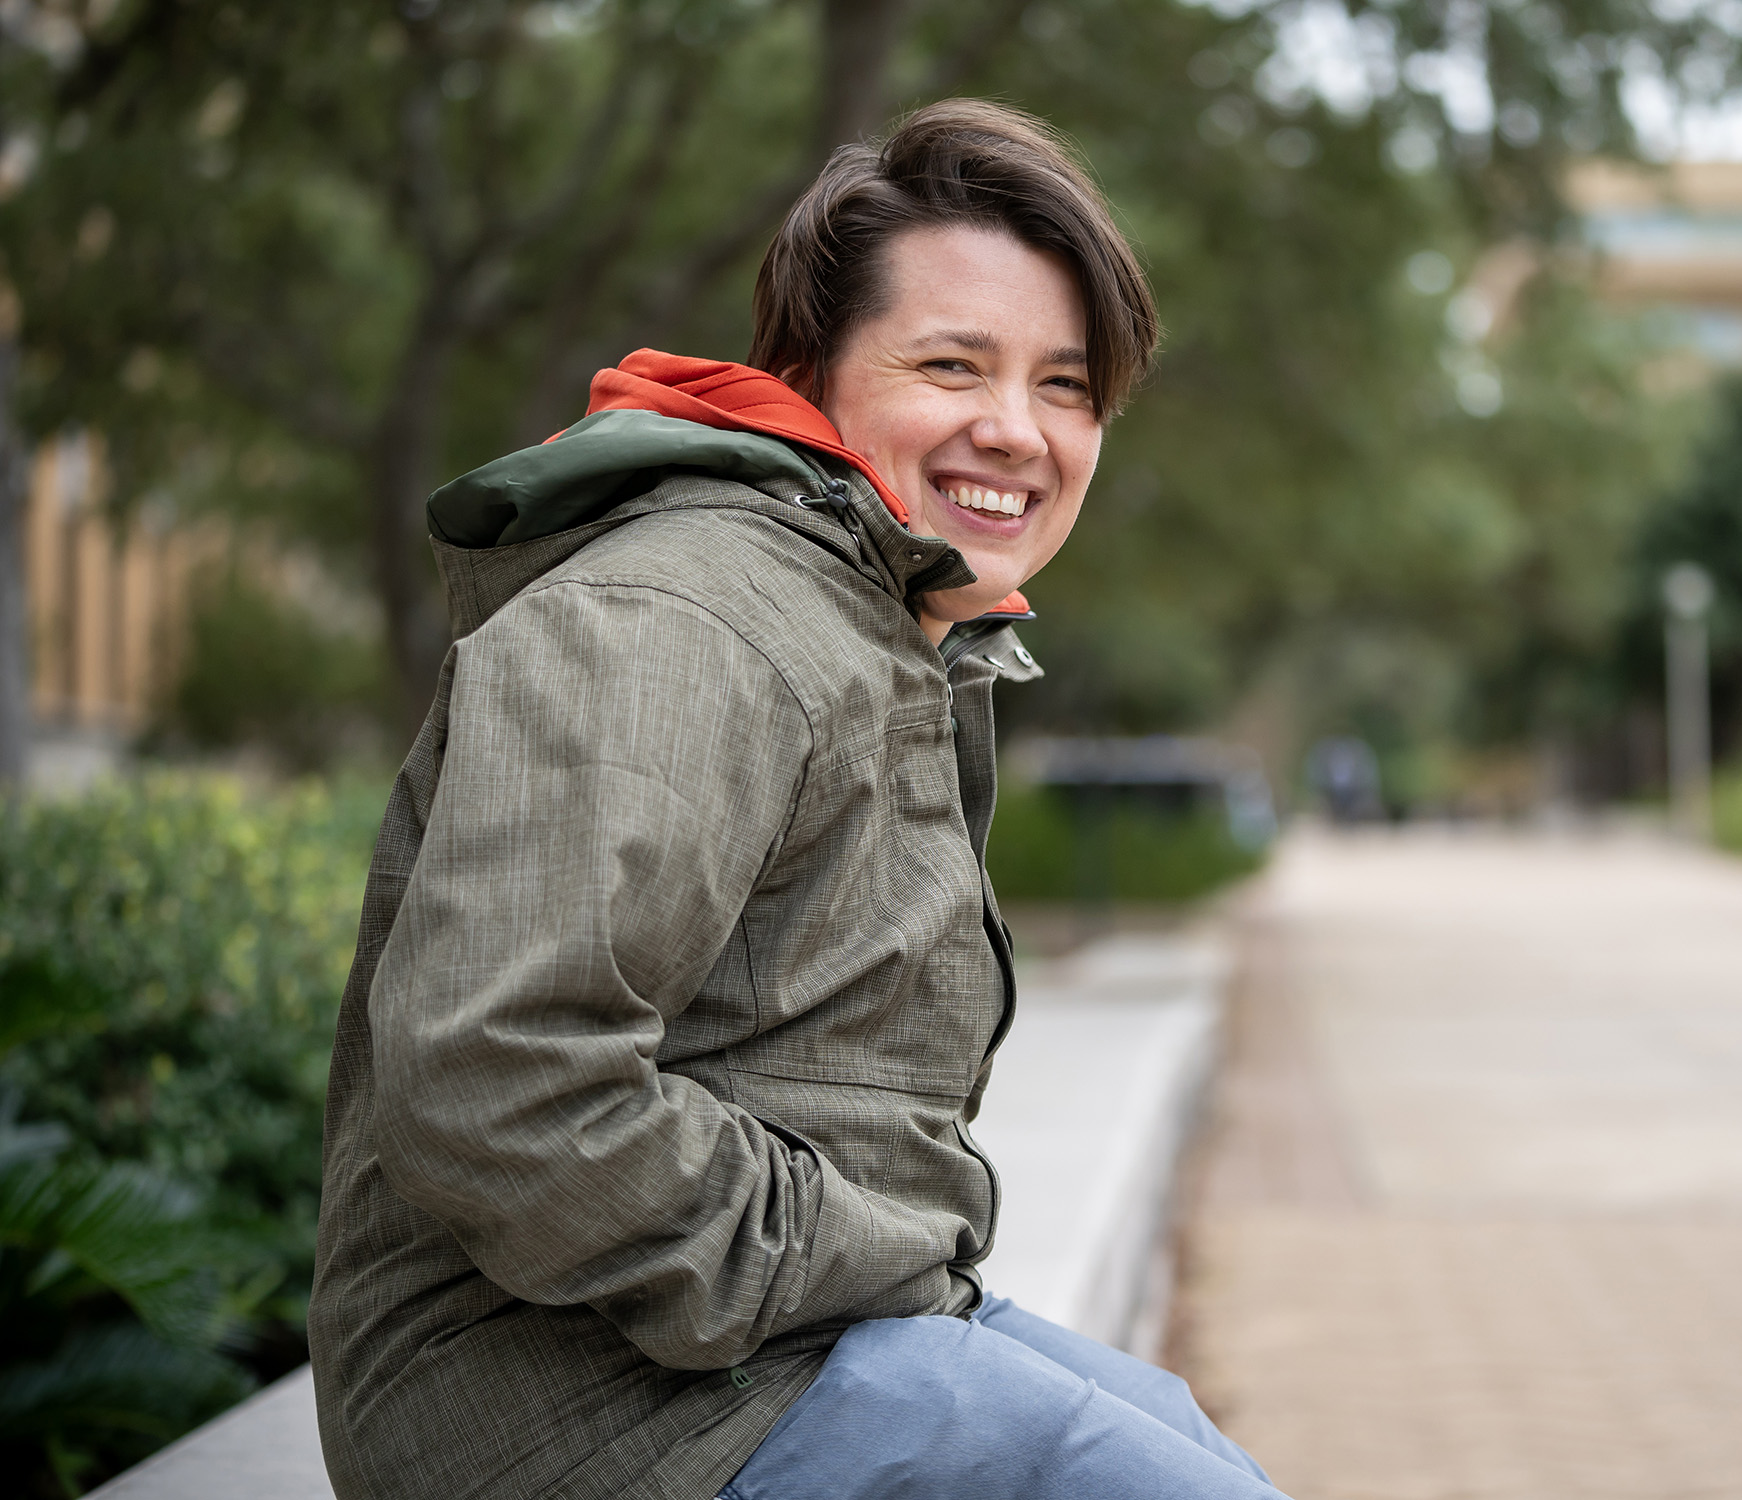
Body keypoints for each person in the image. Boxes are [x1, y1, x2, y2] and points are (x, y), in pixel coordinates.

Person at [307, 100, 1281, 1500]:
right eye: (954, 365)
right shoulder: (684, 620)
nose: (1016, 430)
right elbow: (497, 1076)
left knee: (1180, 1436)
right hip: (566, 1406)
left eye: (1064, 387)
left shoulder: (869, 618)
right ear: (808, 373)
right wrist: (861, 1252)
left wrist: (877, 1268)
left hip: (760, 1340)